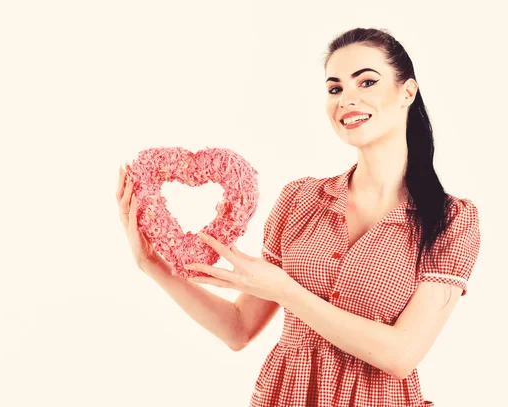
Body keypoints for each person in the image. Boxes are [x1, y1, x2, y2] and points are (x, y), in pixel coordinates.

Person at [115, 27, 481, 407]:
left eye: (366, 82)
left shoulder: (452, 220)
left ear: (407, 92)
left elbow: (401, 355)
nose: (347, 100)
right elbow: (239, 329)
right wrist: (151, 265)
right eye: (335, 88)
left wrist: (285, 290)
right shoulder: (300, 199)